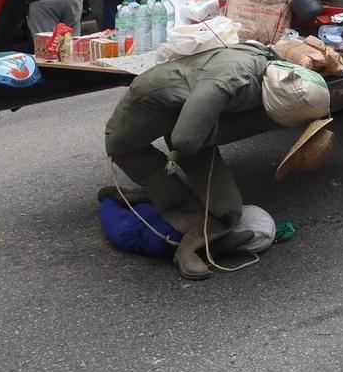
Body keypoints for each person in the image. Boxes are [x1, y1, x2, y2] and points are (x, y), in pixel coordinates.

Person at [104, 48, 328, 279]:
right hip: (150, 104)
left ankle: (211, 235)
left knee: (228, 209)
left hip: (190, 113)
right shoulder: (227, 82)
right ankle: (186, 240)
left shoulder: (272, 68)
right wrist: (253, 123)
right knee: (127, 153)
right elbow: (185, 140)